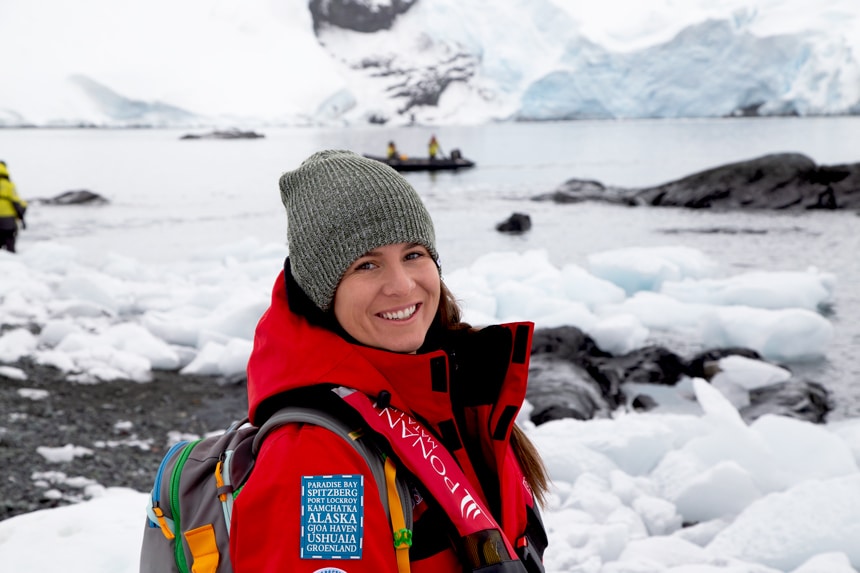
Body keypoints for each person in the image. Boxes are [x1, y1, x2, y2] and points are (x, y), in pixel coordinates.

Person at [231, 150, 550, 572]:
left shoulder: (447, 392)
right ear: (322, 296)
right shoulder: (318, 461)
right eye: (367, 265)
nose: (401, 285)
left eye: (414, 254)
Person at [0, 161, 27, 253]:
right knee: (9, 245)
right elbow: (16, 202)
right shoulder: (9, 185)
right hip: (8, 221)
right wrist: (22, 218)